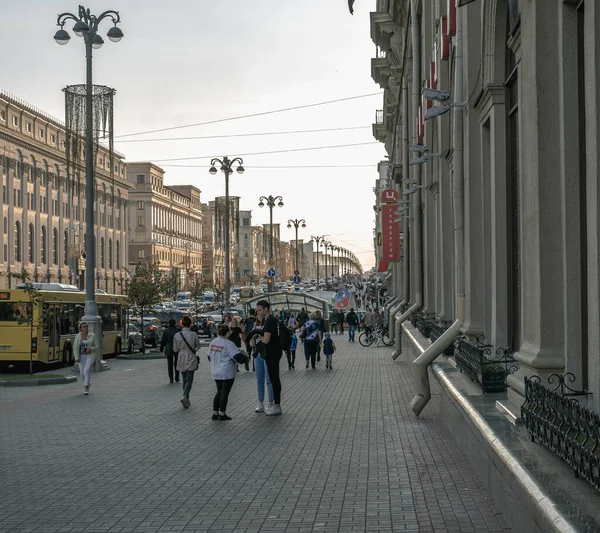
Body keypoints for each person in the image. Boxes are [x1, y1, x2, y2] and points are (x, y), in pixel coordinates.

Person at [208, 323, 248, 421]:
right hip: (227, 372)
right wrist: (246, 358)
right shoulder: (229, 343)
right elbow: (236, 356)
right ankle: (222, 413)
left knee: (219, 391)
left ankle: (215, 413)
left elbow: (209, 356)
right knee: (225, 392)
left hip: (216, 371)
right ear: (228, 332)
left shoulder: (213, 342)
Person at [252, 300, 283, 415]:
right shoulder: (270, 320)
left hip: (271, 353)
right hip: (270, 353)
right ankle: (274, 404)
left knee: (273, 379)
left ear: (266, 309)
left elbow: (266, 340)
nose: (258, 312)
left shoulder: (269, 322)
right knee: (271, 379)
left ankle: (275, 404)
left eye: (260, 310)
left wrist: (258, 334)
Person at [173, 315, 201, 409]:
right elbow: (198, 346)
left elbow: (175, 349)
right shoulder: (193, 334)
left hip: (181, 357)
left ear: (182, 324)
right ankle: (185, 396)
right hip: (190, 356)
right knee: (189, 379)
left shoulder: (177, 335)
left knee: (184, 379)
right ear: (190, 324)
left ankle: (186, 398)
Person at [250, 315, 274, 412]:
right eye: (257, 313)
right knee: (259, 379)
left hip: (267, 353)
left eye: (260, 313)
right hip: (258, 353)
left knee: (268, 379)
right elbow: (251, 339)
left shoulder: (268, 325)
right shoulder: (255, 325)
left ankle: (270, 402)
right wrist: (252, 342)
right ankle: (260, 402)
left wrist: (260, 335)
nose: (259, 315)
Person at [73, 321, 99, 395]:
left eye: (87, 326)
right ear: (80, 328)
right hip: (81, 356)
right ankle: (88, 383)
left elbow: (97, 346)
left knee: (86, 371)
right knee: (82, 373)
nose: (86, 328)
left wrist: (90, 349)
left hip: (90, 356)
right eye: (84, 326)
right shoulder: (77, 336)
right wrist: (76, 357)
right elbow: (75, 348)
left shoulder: (92, 335)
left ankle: (86, 387)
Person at [160, 318, 181, 384]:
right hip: (177, 347)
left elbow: (163, 340)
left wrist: (162, 348)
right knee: (177, 363)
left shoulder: (166, 331)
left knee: (169, 363)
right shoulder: (178, 330)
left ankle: (171, 378)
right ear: (175, 323)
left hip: (169, 347)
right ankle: (177, 377)